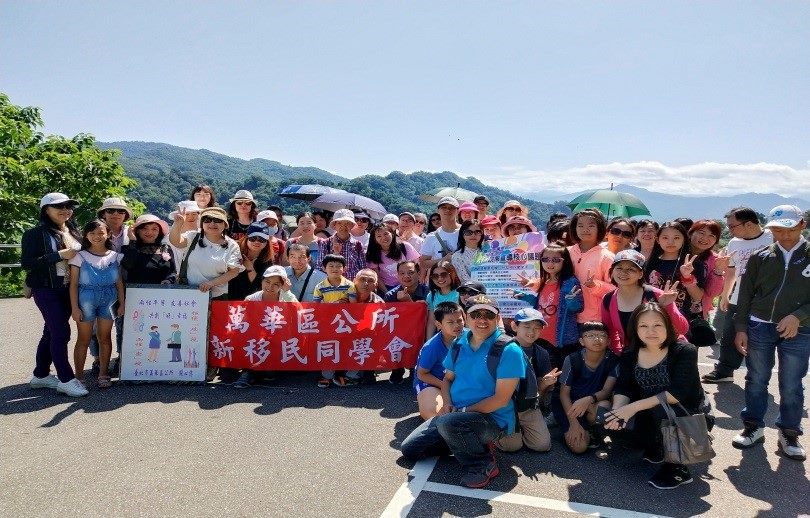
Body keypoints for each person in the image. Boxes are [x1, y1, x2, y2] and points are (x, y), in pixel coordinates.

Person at [400, 295, 525, 489]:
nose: (481, 320)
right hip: (456, 414)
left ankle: (482, 463)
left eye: (488, 315)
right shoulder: (459, 344)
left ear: (497, 318)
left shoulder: (508, 350)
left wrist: (463, 411)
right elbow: (447, 380)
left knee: (450, 424)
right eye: (475, 314)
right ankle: (466, 441)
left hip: (491, 419)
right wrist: (448, 403)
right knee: (410, 450)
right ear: (466, 317)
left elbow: (501, 399)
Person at [731, 205, 809, 461]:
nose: (783, 234)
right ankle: (753, 427)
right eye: (777, 229)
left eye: (789, 228)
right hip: (759, 326)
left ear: (802, 225)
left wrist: (798, 316)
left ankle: (789, 432)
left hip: (799, 329)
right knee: (756, 379)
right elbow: (745, 295)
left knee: (791, 384)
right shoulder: (761, 256)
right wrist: (741, 328)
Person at [606, 303, 706, 490]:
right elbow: (624, 387)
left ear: (667, 325)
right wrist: (617, 411)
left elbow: (677, 394)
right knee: (612, 419)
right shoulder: (630, 353)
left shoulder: (684, 351)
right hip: (648, 410)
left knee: (662, 408)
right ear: (635, 329)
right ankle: (658, 445)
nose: (650, 331)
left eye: (657, 325)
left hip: (686, 412)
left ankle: (678, 468)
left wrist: (631, 408)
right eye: (643, 325)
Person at [22, 193, 87, 397]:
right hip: (46, 289)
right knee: (61, 333)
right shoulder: (34, 234)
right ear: (46, 210)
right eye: (59, 206)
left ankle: (41, 375)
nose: (65, 209)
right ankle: (66, 379)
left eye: (69, 206)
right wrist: (58, 255)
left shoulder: (74, 231)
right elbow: (27, 263)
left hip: (69, 288)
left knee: (50, 332)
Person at [702, 207, 772, 384]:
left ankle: (756, 375)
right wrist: (726, 295)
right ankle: (725, 371)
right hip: (738, 297)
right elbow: (732, 272)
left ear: (748, 224)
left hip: (765, 299)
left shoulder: (772, 237)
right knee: (729, 335)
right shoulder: (734, 242)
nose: (730, 230)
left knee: (759, 339)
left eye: (732, 226)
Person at [69, 220, 126, 389]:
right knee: (83, 339)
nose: (97, 236)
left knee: (105, 337)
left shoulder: (115, 256)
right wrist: (74, 307)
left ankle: (103, 374)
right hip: (86, 298)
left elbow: (119, 283)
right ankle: (78, 377)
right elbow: (73, 285)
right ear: (86, 235)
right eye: (92, 233)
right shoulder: (79, 256)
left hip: (110, 299)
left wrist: (122, 304)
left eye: (101, 233)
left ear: (108, 234)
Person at [495, 308, 560, 453]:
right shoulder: (501, 348)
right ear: (514, 326)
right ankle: (504, 429)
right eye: (527, 326)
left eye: (537, 328)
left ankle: (519, 429)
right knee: (511, 446)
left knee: (542, 445)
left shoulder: (541, 353)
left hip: (527, 406)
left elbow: (540, 390)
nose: (532, 331)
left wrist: (545, 383)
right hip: (503, 406)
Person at [600, 249, 688, 356]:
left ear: (641, 274)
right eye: (619, 268)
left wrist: (667, 306)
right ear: (612, 271)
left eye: (631, 269)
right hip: (634, 356)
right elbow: (610, 332)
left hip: (667, 354)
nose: (624, 272)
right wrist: (620, 353)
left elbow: (683, 329)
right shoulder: (608, 299)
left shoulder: (656, 295)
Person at [514, 243, 583, 370]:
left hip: (560, 341)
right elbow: (541, 304)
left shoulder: (570, 281)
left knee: (557, 374)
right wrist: (525, 297)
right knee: (542, 371)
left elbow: (577, 308)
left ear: (565, 261)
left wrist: (572, 301)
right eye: (545, 259)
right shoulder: (545, 281)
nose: (550, 263)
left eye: (556, 260)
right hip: (540, 336)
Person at [555, 322, 618, 454]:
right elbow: (563, 394)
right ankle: (567, 428)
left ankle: (592, 430)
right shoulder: (572, 359)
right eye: (590, 335)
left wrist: (589, 399)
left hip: (591, 404)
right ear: (581, 341)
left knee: (605, 405)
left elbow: (606, 391)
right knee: (579, 448)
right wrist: (573, 423)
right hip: (569, 406)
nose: (597, 339)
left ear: (608, 341)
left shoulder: (613, 361)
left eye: (602, 335)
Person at [237, 266, 298, 388]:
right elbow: (242, 322)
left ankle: (269, 368)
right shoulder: (251, 299)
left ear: (282, 285)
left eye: (276, 284)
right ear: (262, 281)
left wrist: (287, 292)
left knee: (270, 373)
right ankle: (248, 371)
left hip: (279, 336)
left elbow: (298, 311)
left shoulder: (286, 297)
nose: (270, 287)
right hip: (257, 337)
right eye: (267, 282)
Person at [89, 197, 132, 371]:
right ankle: (98, 359)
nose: (116, 214)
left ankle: (123, 358)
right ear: (103, 214)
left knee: (123, 325)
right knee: (96, 327)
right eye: (111, 211)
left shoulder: (131, 232)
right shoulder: (93, 231)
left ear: (126, 215)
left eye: (120, 211)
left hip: (125, 285)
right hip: (97, 285)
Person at [169, 206, 244, 300]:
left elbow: (234, 271)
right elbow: (176, 241)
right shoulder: (193, 237)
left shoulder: (232, 245)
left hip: (217, 295)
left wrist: (211, 283)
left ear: (225, 224)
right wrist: (177, 224)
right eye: (207, 220)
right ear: (202, 224)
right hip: (189, 292)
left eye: (217, 220)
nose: (212, 223)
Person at [644, 222, 706, 323]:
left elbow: (697, 297)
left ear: (684, 240)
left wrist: (687, 277)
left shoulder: (693, 264)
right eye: (665, 238)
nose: (670, 242)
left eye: (676, 238)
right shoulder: (649, 264)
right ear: (657, 240)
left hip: (679, 319)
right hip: (651, 316)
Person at [313, 254, 359, 388]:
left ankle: (346, 375)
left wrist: (342, 305)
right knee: (329, 348)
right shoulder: (320, 286)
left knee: (346, 348)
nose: (335, 269)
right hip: (328, 323)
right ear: (324, 268)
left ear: (344, 268)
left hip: (345, 323)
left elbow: (354, 305)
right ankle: (327, 376)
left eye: (339, 266)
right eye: (331, 266)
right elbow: (316, 307)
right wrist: (332, 305)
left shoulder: (349, 285)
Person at [413, 302, 466, 419]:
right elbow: (422, 374)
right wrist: (445, 386)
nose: (457, 325)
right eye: (450, 322)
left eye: (459, 320)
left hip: (458, 380)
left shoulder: (471, 338)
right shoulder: (431, 347)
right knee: (435, 414)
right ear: (438, 324)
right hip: (433, 382)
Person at [384, 260, 429, 384]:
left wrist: (409, 302)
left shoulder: (428, 292)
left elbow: (428, 317)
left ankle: (414, 368)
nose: (406, 276)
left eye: (410, 272)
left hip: (422, 330)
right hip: (399, 332)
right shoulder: (390, 295)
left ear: (419, 274)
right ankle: (397, 369)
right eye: (402, 273)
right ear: (397, 275)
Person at [567, 209, 615, 323]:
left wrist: (595, 286)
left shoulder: (607, 257)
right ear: (574, 228)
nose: (585, 230)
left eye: (591, 225)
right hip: (566, 316)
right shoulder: (566, 253)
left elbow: (615, 290)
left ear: (600, 228)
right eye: (580, 225)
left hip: (593, 319)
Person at [120, 214, 176, 285]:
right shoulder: (128, 248)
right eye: (145, 228)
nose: (149, 232)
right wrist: (132, 241)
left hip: (163, 293)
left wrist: (169, 280)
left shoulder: (166, 248)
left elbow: (173, 272)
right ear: (137, 231)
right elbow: (128, 265)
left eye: (154, 229)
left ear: (159, 232)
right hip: (136, 293)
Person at [686, 220, 726, 319]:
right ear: (690, 233)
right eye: (701, 233)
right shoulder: (677, 252)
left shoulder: (715, 260)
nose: (705, 238)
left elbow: (713, 293)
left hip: (697, 313)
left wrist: (718, 271)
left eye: (712, 236)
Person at [228, 222, 276, 301]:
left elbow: (259, 286)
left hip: (252, 301)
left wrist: (250, 269)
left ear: (267, 242)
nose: (256, 242)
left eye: (262, 239)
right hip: (229, 298)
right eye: (253, 238)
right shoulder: (234, 251)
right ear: (246, 238)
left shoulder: (267, 260)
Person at [365, 223, 420, 292]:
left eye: (386, 234)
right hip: (387, 287)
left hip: (409, 285)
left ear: (392, 234)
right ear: (375, 239)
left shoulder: (405, 247)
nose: (383, 238)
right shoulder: (373, 253)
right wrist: (387, 293)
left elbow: (418, 267)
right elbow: (377, 276)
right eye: (379, 236)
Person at [317, 209, 366, 281]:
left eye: (347, 223)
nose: (343, 226)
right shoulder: (325, 243)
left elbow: (363, 269)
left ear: (352, 225)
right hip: (331, 287)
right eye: (339, 223)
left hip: (352, 286)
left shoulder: (358, 245)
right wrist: (335, 254)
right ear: (334, 225)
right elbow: (320, 268)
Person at [419, 197, 461, 281]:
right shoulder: (432, 237)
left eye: (451, 208)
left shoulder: (467, 232)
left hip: (464, 281)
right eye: (443, 207)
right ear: (438, 210)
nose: (447, 210)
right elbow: (423, 263)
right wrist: (443, 260)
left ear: (458, 211)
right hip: (441, 282)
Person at [425, 261, 460, 338]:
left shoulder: (460, 293)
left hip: (459, 334)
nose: (440, 278)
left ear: (452, 274)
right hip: (441, 335)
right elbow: (431, 321)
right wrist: (428, 342)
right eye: (435, 276)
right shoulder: (431, 296)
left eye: (444, 274)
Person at [451, 219, 484, 284]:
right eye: (468, 232)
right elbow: (465, 281)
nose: (473, 235)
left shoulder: (489, 251)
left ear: (482, 234)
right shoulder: (457, 256)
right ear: (462, 234)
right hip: (473, 292)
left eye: (477, 232)